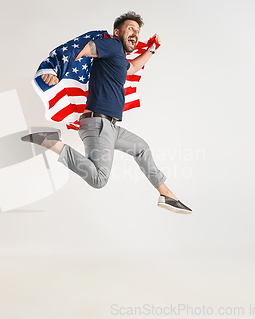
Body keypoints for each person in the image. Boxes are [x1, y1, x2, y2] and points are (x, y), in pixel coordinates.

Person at [22, 12, 192, 214]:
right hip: (98, 124)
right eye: (131, 28)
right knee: (99, 179)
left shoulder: (118, 58)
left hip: (109, 126)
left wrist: (152, 50)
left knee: (141, 148)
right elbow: (83, 49)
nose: (136, 33)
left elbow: (133, 67)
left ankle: (166, 194)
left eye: (138, 31)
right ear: (117, 32)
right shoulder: (111, 45)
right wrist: (56, 70)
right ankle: (51, 143)